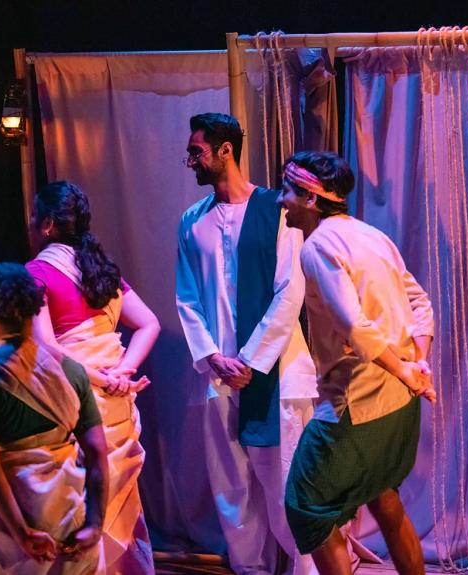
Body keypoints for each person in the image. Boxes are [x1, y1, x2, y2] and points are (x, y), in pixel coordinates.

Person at [276, 151, 435, 575]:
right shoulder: (372, 235)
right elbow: (421, 302)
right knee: (382, 494)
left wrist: (406, 369)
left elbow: (354, 325)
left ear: (311, 198)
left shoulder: (317, 246)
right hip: (401, 403)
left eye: (288, 190)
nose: (280, 200)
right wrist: (416, 364)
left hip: (358, 405)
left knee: (306, 505)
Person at [175, 113, 318, 574]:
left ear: (226, 151)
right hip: (220, 375)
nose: (190, 160)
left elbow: (290, 291)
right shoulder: (191, 222)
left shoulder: (276, 209)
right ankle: (250, 569)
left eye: (197, 151)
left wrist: (252, 361)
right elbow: (187, 297)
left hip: (273, 371)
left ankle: (305, 570)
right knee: (231, 482)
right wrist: (214, 357)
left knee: (284, 482)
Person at [27, 181, 160, 574]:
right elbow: (148, 324)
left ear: (48, 223)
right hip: (115, 401)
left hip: (75, 398)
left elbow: (47, 347)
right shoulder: (101, 270)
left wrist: (104, 379)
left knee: (78, 500)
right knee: (114, 499)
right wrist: (122, 371)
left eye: (37, 217)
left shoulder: (35, 272)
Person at [0, 263, 109, 575]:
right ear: (36, 308)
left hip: (3, 521)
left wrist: (21, 533)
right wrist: (95, 522)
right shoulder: (71, 371)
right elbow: (98, 450)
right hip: (65, 510)